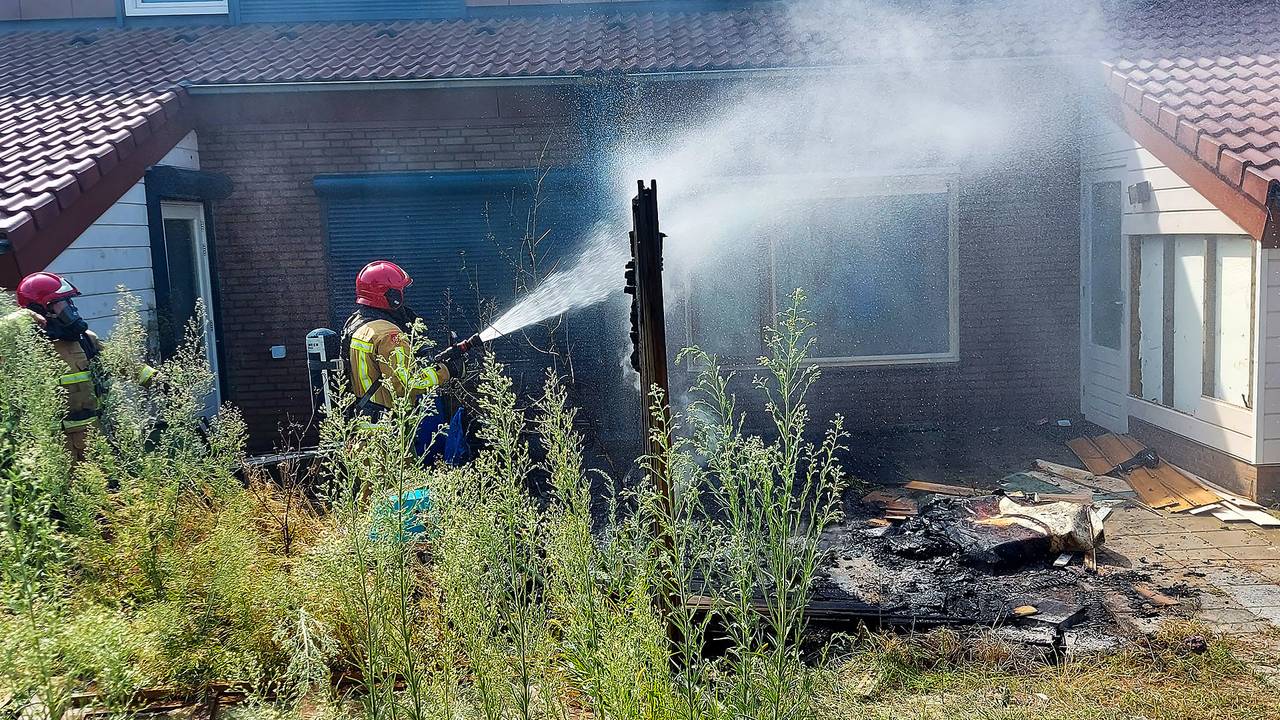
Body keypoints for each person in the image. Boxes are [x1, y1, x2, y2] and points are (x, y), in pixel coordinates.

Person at [7, 271, 158, 458]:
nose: (71, 309)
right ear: (41, 309)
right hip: (52, 454)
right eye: (62, 303)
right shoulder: (21, 349)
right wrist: (15, 322)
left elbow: (123, 363)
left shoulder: (85, 340)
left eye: (70, 302)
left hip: (96, 444)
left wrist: (158, 380)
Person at [341, 261, 461, 433]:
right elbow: (406, 385)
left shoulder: (357, 325)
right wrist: (447, 370)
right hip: (386, 436)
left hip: (362, 429)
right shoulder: (388, 335)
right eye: (400, 291)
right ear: (391, 296)